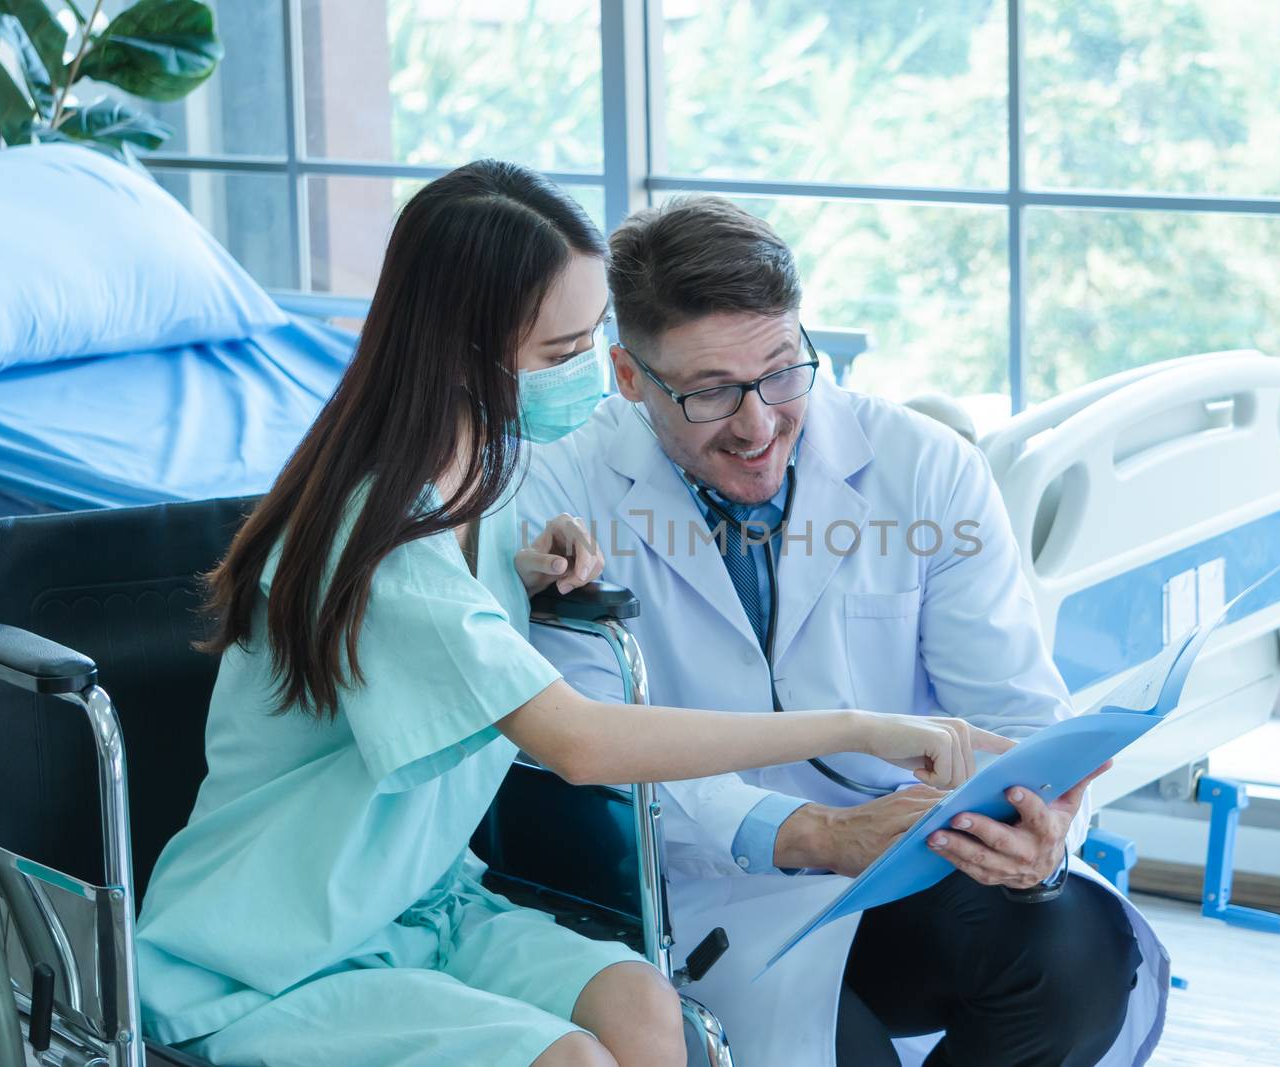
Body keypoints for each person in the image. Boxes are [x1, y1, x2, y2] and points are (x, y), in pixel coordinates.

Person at [132, 162, 1005, 1067]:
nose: (594, 375)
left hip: (423, 902)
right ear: (464, 355)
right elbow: (581, 743)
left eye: (590, 339)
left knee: (639, 1003)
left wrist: (533, 560)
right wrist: (867, 727)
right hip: (268, 952)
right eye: (559, 355)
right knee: (573, 1062)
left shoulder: (491, 492)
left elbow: (479, 607)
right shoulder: (381, 541)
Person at [519, 197, 1171, 1067]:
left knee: (1079, 955)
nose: (758, 424)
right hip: (711, 894)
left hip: (912, 866)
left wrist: (1040, 830)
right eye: (712, 392)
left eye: (784, 370)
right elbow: (596, 761)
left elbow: (1016, 716)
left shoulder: (925, 468)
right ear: (630, 378)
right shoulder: (556, 492)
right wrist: (814, 834)